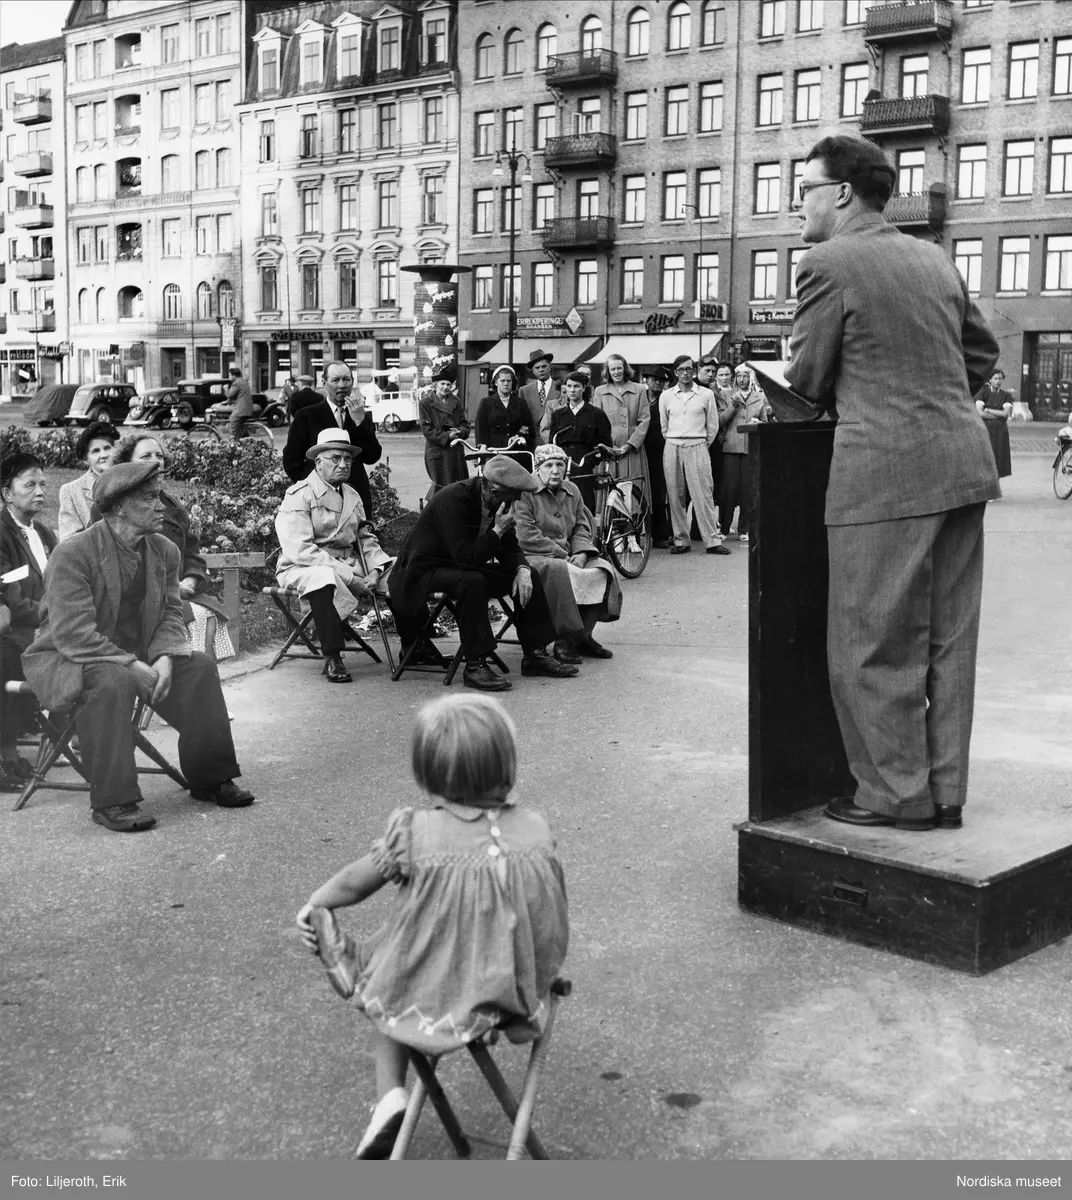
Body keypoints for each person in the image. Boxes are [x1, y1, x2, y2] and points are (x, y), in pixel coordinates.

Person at [785, 134, 1000, 833]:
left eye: (806, 191)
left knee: (871, 640)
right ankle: (944, 794)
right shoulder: (932, 257)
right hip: (962, 465)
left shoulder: (827, 263)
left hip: (882, 474)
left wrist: (887, 408)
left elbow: (809, 379)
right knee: (947, 638)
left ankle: (891, 795)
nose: (800, 207)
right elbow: (982, 352)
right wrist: (930, 403)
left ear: (842, 192)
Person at [296, 694, 569, 1158]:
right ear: (508, 763)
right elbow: (547, 918)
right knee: (413, 970)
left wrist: (314, 905)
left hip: (433, 1000)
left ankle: (390, 1099)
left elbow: (353, 884)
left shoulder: (416, 833)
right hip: (521, 991)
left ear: (427, 776)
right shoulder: (536, 830)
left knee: (385, 993)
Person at [22, 461, 254, 833]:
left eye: (159, 496)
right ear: (117, 508)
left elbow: (170, 613)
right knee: (113, 681)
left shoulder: (163, 550)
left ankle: (211, 778)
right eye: (148, 498)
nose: (161, 505)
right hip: (71, 657)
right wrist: (133, 664)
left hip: (137, 655)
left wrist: (164, 656)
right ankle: (113, 800)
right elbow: (72, 634)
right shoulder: (73, 553)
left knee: (198, 667)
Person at [387, 455, 578, 692]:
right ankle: (475, 664)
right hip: (422, 571)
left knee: (529, 574)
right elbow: (464, 558)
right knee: (472, 581)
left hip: (460, 565)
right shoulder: (453, 499)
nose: (517, 502)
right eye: (514, 496)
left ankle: (535, 654)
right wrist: (497, 529)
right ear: (494, 490)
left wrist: (521, 569)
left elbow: (510, 547)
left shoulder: (497, 501)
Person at [275, 429, 394, 684]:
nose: (343, 464)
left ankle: (415, 646)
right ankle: (333, 656)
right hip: (301, 566)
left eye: (348, 459)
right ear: (318, 462)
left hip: (348, 563)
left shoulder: (352, 494)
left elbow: (364, 538)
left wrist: (374, 570)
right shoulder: (299, 495)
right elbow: (301, 550)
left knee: (399, 572)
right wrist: (351, 576)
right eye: (335, 458)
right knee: (323, 578)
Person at [110, 434, 234, 661]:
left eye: (159, 456)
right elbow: (117, 560)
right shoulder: (115, 504)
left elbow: (192, 552)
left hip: (180, 591)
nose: (156, 461)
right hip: (139, 597)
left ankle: (196, 677)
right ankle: (186, 677)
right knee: (196, 616)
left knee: (209, 614)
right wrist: (170, 586)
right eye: (146, 456)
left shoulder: (171, 505)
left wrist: (192, 579)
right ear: (127, 463)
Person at [514, 442, 621, 663]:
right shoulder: (525, 493)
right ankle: (563, 640)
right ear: (538, 468)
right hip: (534, 555)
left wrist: (582, 552)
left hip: (571, 553)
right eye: (549, 465)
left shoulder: (572, 490)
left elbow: (582, 526)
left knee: (602, 570)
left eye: (560, 464)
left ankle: (582, 636)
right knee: (561, 571)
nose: (555, 470)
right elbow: (526, 534)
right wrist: (562, 555)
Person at [0, 453, 56, 790]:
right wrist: (47, 618)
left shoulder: (44, 533)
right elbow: (10, 594)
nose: (39, 491)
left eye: (42, 484)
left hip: (43, 625)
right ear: (7, 493)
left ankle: (72, 735)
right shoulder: (1, 533)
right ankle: (7, 755)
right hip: (15, 626)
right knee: (7, 657)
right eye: (30, 484)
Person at [284, 361, 383, 521]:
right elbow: (291, 462)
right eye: (335, 380)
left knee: (359, 540)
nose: (342, 385)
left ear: (352, 381)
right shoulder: (307, 415)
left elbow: (372, 456)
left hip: (356, 495)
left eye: (346, 379)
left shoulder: (360, 415)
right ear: (324, 383)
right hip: (319, 499)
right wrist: (312, 487)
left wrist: (361, 423)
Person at [659, 355, 729, 556]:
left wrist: (700, 443)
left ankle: (712, 541)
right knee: (675, 494)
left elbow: (713, 425)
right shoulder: (667, 396)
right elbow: (665, 426)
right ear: (675, 373)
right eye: (681, 370)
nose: (686, 373)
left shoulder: (705, 394)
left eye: (689, 369)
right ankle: (681, 539)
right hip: (672, 445)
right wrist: (674, 440)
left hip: (697, 444)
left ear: (694, 370)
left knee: (704, 493)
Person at [546, 371, 613, 515]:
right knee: (559, 503)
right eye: (569, 386)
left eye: (576, 386)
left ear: (584, 388)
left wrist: (592, 460)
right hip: (562, 465)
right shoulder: (558, 415)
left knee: (584, 504)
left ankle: (587, 535)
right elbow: (552, 442)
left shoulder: (596, 414)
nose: (572, 390)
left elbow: (606, 444)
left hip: (584, 465)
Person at [590, 354, 651, 507]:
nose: (616, 372)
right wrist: (606, 445)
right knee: (608, 490)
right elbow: (596, 421)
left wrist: (630, 444)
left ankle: (635, 524)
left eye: (619, 368)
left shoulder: (639, 389)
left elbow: (644, 420)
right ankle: (610, 526)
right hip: (609, 448)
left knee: (633, 489)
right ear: (607, 371)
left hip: (632, 448)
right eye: (613, 369)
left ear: (625, 369)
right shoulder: (600, 391)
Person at [718, 366, 770, 543]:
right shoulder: (727, 396)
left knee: (748, 490)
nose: (741, 379)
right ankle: (724, 527)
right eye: (739, 376)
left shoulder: (760, 397)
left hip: (750, 447)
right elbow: (721, 420)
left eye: (745, 376)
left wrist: (759, 422)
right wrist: (733, 406)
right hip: (731, 446)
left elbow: (765, 421)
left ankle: (744, 529)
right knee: (728, 490)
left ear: (751, 378)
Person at [57, 420, 119, 540]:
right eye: (95, 451)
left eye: (107, 448)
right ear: (86, 459)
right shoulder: (71, 491)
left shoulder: (129, 481)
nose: (103, 455)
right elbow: (69, 540)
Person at [418, 367, 470, 494]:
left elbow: (465, 425)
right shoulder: (425, 403)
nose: (445, 387)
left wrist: (460, 432)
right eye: (442, 384)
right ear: (435, 385)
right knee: (441, 488)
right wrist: (447, 436)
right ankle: (435, 511)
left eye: (448, 384)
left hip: (455, 451)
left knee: (458, 487)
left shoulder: (456, 402)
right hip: (437, 451)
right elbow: (427, 430)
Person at [474, 365, 535, 462]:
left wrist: (519, 435)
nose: (506, 384)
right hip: (494, 452)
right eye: (502, 381)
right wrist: (482, 447)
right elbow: (480, 428)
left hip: (516, 452)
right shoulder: (486, 403)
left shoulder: (520, 403)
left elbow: (528, 426)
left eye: (509, 381)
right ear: (496, 382)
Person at [642, 366, 673, 549]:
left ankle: (661, 534)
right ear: (647, 380)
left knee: (659, 493)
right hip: (641, 447)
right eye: (655, 379)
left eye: (662, 380)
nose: (658, 383)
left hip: (661, 449)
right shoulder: (640, 397)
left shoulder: (667, 399)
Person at [975, 368, 1013, 481]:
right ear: (990, 380)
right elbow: (980, 413)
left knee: (999, 457)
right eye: (995, 378)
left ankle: (995, 484)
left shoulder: (1006, 395)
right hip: (986, 429)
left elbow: (1006, 413)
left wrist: (989, 410)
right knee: (986, 456)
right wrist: (998, 415)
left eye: (1000, 378)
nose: (998, 381)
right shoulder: (983, 394)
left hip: (1001, 431)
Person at [518, 348, 560, 437]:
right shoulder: (524, 391)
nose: (541, 370)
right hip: (532, 442)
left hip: (553, 441)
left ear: (550, 367)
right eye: (537, 368)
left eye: (544, 366)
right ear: (533, 371)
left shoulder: (561, 388)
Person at [226, 365, 255, 441]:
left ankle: (233, 443)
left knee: (233, 421)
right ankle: (245, 440)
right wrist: (227, 401)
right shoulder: (244, 382)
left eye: (230, 375)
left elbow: (229, 394)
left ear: (233, 375)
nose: (229, 377)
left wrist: (225, 388)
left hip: (241, 410)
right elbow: (239, 396)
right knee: (241, 428)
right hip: (248, 409)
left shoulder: (236, 383)